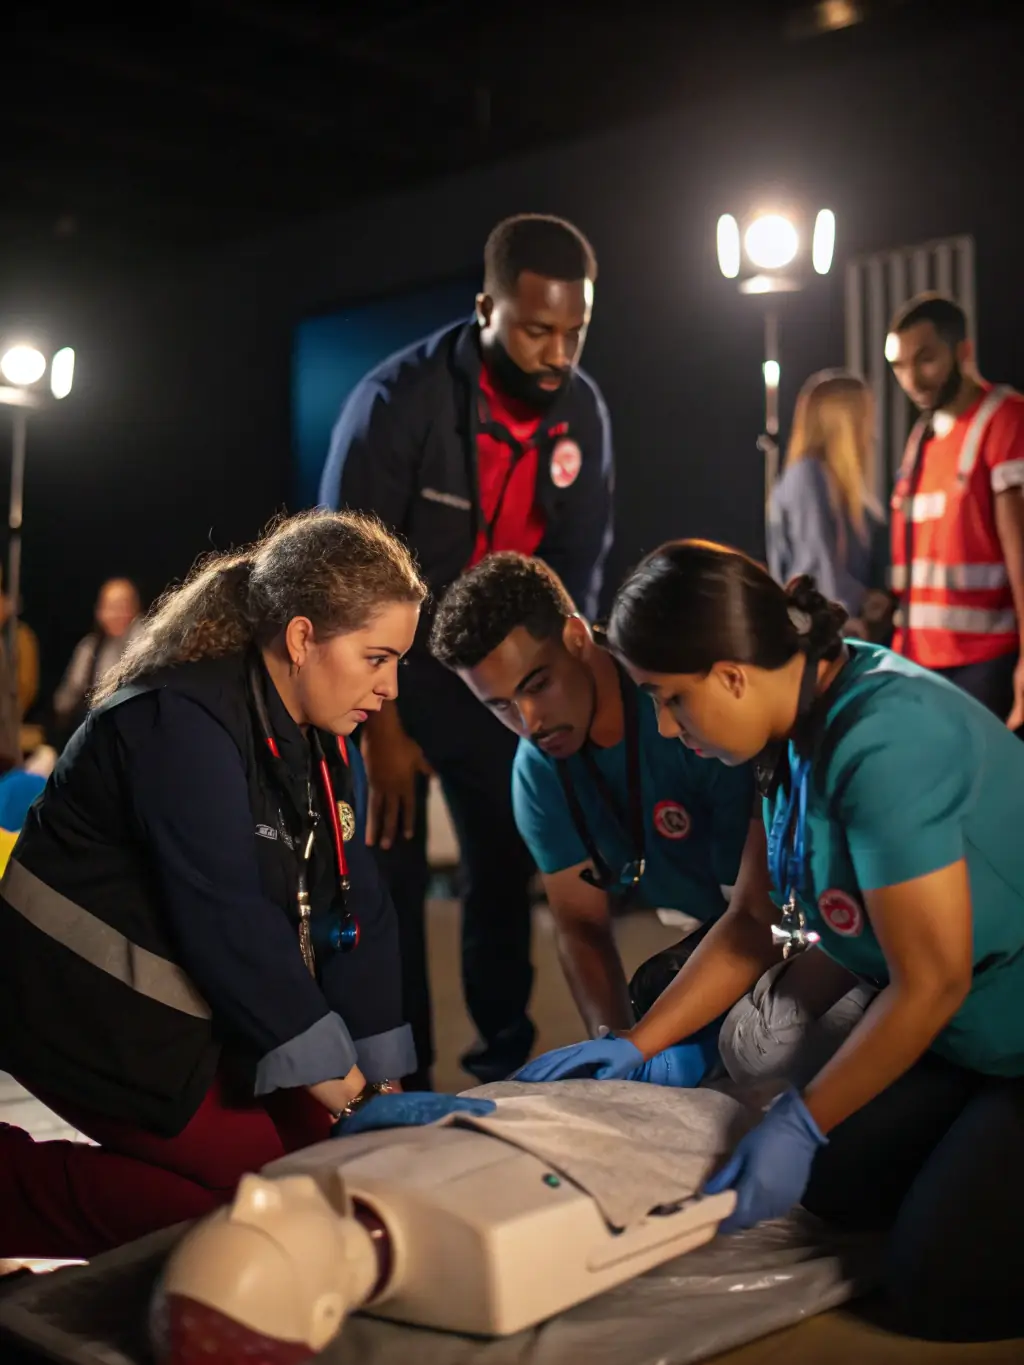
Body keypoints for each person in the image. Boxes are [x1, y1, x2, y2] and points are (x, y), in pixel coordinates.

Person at [519, 539, 1024, 1342]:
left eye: (670, 698)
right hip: (970, 1035)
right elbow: (753, 923)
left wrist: (803, 1120)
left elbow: (931, 981)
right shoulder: (793, 721)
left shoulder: (884, 742)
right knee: (836, 1189)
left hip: (986, 1019)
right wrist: (637, 1043)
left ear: (731, 674)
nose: (664, 725)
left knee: (938, 1288)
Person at [0, 510, 425, 1259]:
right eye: (377, 658)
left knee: (338, 1180)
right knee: (260, 1212)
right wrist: (352, 1097)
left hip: (190, 1010)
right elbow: (228, 922)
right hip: (81, 1005)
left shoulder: (320, 741)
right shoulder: (178, 720)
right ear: (303, 638)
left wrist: (384, 1094)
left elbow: (358, 909)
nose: (390, 687)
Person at [319, 214, 614, 1085]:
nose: (558, 354)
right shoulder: (396, 400)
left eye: (575, 332)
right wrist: (381, 728)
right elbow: (344, 574)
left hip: (498, 680)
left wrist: (557, 699)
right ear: (486, 309)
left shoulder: (583, 413)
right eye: (536, 330)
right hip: (394, 673)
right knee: (390, 879)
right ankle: (399, 1079)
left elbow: (576, 575)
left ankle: (503, 1068)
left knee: (503, 866)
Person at [429, 551, 754, 1042]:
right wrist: (615, 1048)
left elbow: (755, 916)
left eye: (538, 684)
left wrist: (647, 1042)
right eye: (500, 706)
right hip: (714, 927)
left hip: (797, 920)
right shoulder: (536, 774)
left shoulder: (682, 708)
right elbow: (582, 927)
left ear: (577, 638)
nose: (529, 722)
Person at [886, 293, 1024, 725]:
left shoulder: (1006, 419)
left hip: (983, 664)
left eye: (925, 359)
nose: (911, 379)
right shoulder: (922, 436)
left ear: (963, 352)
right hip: (918, 659)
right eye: (899, 366)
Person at [767, 370, 887, 623]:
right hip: (823, 632)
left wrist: (866, 599)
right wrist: (856, 603)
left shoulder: (840, 486)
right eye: (865, 419)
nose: (872, 433)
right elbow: (817, 570)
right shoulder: (808, 478)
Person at [53, 577, 142, 742]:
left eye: (123, 606)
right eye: (111, 607)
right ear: (99, 612)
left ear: (135, 610)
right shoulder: (89, 648)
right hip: (96, 731)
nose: (117, 614)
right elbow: (66, 699)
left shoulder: (148, 645)